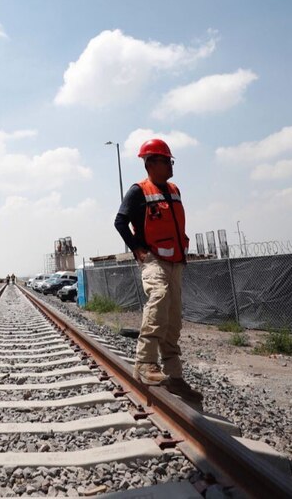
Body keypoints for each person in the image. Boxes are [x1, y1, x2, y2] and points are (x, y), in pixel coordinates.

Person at [113, 138, 203, 405]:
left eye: (171, 161)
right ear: (151, 163)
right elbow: (120, 221)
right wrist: (136, 248)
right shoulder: (138, 191)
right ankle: (144, 362)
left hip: (175, 261)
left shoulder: (174, 189)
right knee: (159, 296)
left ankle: (174, 376)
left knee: (173, 320)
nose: (171, 165)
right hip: (153, 259)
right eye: (166, 161)